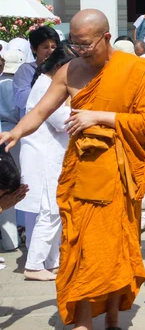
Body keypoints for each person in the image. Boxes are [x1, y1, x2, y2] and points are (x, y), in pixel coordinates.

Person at [0, 9, 145, 330]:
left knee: (113, 250)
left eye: (86, 44)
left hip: (118, 175)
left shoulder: (137, 69)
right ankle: (85, 321)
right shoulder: (69, 71)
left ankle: (114, 316)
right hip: (81, 175)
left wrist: (100, 117)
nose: (80, 50)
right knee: (81, 249)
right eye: (74, 44)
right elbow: (42, 109)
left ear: (105, 37)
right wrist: (15, 132)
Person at [16, 43, 77, 281]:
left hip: (48, 156)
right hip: (43, 158)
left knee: (53, 209)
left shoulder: (46, 83)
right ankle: (34, 264)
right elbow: (64, 122)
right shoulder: (45, 87)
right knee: (49, 211)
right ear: (61, 67)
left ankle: (51, 261)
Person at [0, 50, 24, 252]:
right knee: (12, 185)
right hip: (13, 135)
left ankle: (9, 240)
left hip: (5, 134)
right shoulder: (14, 86)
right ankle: (12, 240)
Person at [13, 26, 60, 118]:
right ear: (34, 49)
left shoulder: (62, 69)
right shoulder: (25, 70)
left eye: (53, 47)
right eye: (45, 47)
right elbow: (22, 100)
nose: (50, 51)